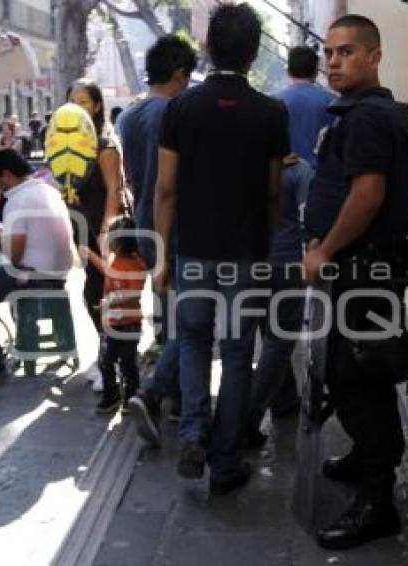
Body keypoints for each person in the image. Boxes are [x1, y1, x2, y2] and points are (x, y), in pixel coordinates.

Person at [152, 3, 289, 495]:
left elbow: (166, 189)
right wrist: (264, 241)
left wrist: (162, 257)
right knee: (236, 351)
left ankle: (193, 433)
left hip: (192, 252)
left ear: (208, 49)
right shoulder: (272, 113)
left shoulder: (180, 109)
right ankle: (226, 462)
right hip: (246, 253)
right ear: (254, 54)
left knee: (191, 340)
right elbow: (275, 191)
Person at [302, 15, 408, 549]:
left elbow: (368, 194)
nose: (333, 62)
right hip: (359, 267)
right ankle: (363, 460)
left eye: (346, 52)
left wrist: (325, 248)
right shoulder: (361, 113)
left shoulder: (369, 118)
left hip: (362, 269)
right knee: (353, 373)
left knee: (358, 380)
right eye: (329, 53)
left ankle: (378, 503)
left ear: (374, 56)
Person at [117, 34, 197, 436]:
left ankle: (167, 400)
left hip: (147, 223)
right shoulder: (179, 112)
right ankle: (169, 398)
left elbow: (132, 177)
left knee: (169, 314)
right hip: (179, 224)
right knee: (192, 321)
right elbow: (176, 182)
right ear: (180, 74)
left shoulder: (128, 116)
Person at [0, 149, 74, 379]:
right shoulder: (48, 190)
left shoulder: (17, 201)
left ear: (7, 175)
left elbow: (13, 256)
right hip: (58, 273)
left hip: (35, 276)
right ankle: (10, 345)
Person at [245, 154, 313, 447]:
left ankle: (285, 399)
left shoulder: (244, 166)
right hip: (284, 264)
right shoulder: (299, 172)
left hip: (248, 262)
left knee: (268, 330)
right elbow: (308, 220)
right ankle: (249, 417)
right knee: (279, 339)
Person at [67, 79, 126, 335]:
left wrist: (106, 231)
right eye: (72, 103)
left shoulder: (105, 145)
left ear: (97, 106)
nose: (77, 108)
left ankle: (116, 352)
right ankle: (109, 349)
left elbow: (115, 189)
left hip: (102, 227)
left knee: (103, 290)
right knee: (93, 288)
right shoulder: (66, 144)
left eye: (83, 102)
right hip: (81, 225)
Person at [81, 216, 147, 414]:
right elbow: (107, 270)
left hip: (130, 324)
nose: (105, 238)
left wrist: (111, 301)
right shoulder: (114, 260)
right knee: (106, 361)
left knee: (128, 363)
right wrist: (91, 256)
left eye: (109, 235)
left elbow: (135, 292)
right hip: (111, 323)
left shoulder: (136, 264)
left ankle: (131, 396)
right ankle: (112, 395)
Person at [274, 46, 335, 167]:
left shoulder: (272, 101)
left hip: (282, 173)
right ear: (316, 72)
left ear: (288, 71)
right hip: (317, 174)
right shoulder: (333, 102)